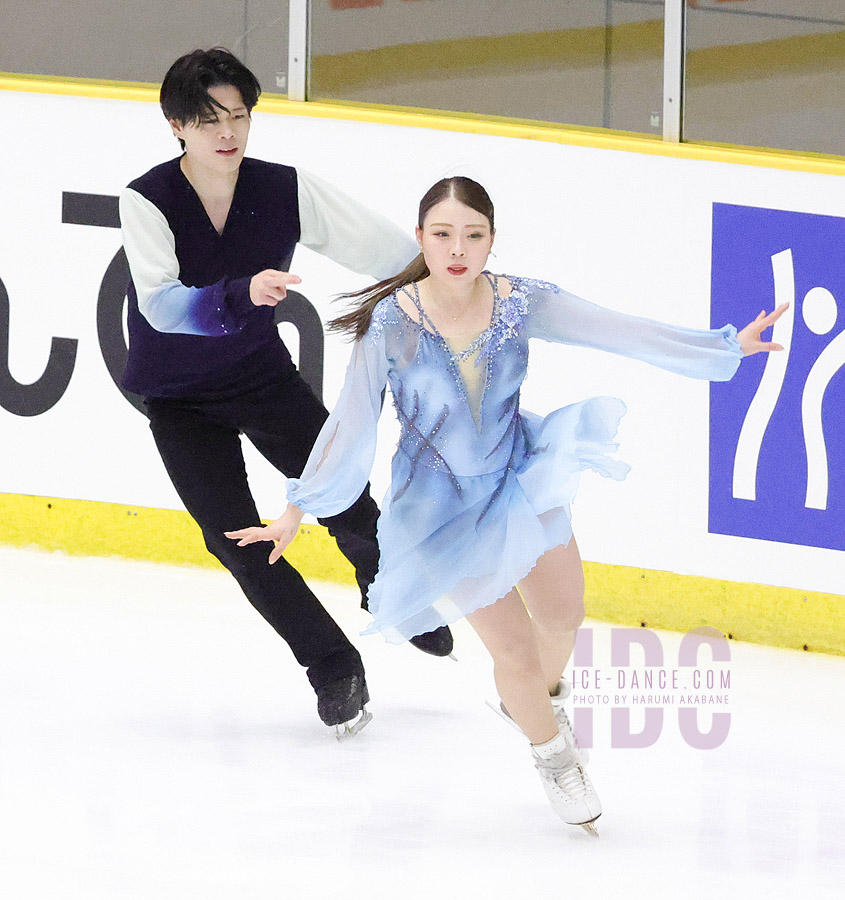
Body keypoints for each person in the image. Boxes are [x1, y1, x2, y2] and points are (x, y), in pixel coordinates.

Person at [225, 177, 786, 830]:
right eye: (442, 234)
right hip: (441, 512)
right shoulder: (391, 324)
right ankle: (553, 756)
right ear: (420, 239)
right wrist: (297, 508)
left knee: (562, 618)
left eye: (473, 235)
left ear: (491, 239)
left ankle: (540, 699)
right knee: (513, 654)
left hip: (520, 478)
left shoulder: (521, 303)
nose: (457, 249)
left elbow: (616, 330)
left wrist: (721, 347)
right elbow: (350, 424)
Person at [118, 48, 454, 738]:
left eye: (239, 116)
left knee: (345, 496)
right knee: (235, 540)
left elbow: (387, 252)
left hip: (258, 375)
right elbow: (158, 305)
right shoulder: (147, 199)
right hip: (177, 396)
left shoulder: (284, 188)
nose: (228, 133)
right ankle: (333, 666)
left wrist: (448, 285)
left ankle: (387, 586)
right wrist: (242, 290)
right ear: (176, 125)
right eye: (210, 119)